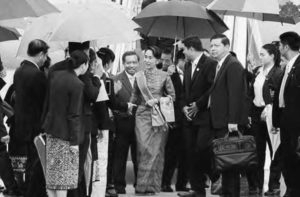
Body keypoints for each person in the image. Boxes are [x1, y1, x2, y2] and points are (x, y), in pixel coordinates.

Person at [128, 46, 175, 195]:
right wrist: (129, 105)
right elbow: (135, 95)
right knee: (143, 150)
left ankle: (152, 187)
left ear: (157, 59)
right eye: (145, 57)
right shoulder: (139, 75)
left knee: (156, 151)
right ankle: (141, 186)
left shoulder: (164, 76)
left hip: (158, 116)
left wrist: (158, 100)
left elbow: (172, 97)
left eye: (150, 58)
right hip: (142, 115)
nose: (147, 60)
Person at [43, 50, 88, 197]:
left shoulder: (55, 76)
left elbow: (48, 103)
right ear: (84, 65)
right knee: (63, 178)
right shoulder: (77, 83)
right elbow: (74, 114)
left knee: (51, 177)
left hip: (51, 131)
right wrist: (75, 141)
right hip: (66, 136)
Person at [208, 34, 248, 197]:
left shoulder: (233, 65)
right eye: (211, 45)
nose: (212, 49)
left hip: (228, 123)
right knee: (224, 162)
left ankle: (231, 193)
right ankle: (226, 193)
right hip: (219, 121)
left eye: (216, 45)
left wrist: (233, 121)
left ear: (226, 46)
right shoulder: (220, 65)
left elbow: (236, 94)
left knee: (231, 163)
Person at [178, 37, 217, 197]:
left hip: (204, 117)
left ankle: (217, 178)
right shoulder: (187, 65)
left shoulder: (210, 64)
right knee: (190, 153)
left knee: (202, 150)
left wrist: (198, 105)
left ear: (192, 48)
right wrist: (183, 107)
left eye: (184, 49)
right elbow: (184, 91)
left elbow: (212, 88)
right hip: (189, 119)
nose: (183, 52)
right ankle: (197, 189)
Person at [246, 44, 283, 195]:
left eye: (263, 54)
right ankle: (256, 185)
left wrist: (269, 109)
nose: (260, 57)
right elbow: (251, 93)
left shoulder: (279, 73)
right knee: (256, 151)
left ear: (272, 55)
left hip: (272, 114)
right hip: (256, 113)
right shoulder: (257, 71)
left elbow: (279, 96)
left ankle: (274, 184)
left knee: (276, 150)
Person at [14, 39, 49, 197]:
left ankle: (28, 191)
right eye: (45, 55)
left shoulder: (19, 71)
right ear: (41, 54)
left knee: (29, 164)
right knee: (36, 164)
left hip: (21, 125)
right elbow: (44, 102)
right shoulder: (37, 74)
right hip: (35, 127)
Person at [273, 31, 300, 197]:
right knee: (287, 158)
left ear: (286, 46)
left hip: (296, 123)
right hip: (285, 121)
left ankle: (294, 190)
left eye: (279, 45)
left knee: (293, 159)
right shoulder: (289, 65)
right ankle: (291, 189)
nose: (278, 48)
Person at [160, 48, 189, 192]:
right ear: (180, 60)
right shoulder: (169, 74)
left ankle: (182, 183)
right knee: (171, 153)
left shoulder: (192, 73)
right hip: (174, 119)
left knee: (186, 154)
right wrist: (169, 118)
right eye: (187, 60)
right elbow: (167, 97)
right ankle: (165, 182)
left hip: (189, 119)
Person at [111, 51, 139, 194]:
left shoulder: (143, 78)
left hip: (140, 126)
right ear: (124, 63)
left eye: (134, 62)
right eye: (128, 62)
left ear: (138, 63)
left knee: (138, 157)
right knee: (120, 158)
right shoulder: (116, 79)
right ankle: (119, 186)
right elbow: (112, 102)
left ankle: (139, 186)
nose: (131, 65)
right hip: (121, 125)